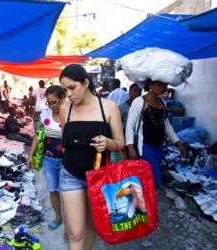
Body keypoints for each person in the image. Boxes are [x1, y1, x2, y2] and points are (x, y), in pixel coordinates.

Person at [59, 64, 124, 250]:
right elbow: (65, 144)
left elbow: (121, 143)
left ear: (86, 83)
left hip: (99, 177)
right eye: (65, 90)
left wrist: (108, 143)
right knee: (75, 233)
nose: (69, 94)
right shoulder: (66, 109)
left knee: (91, 227)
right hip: (70, 175)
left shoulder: (109, 108)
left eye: (72, 88)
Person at [126, 80, 186, 189]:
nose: (163, 88)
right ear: (150, 85)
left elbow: (167, 125)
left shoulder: (162, 102)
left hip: (159, 146)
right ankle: (142, 200)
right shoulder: (140, 101)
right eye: (160, 85)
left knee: (148, 178)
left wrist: (177, 142)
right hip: (145, 146)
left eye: (165, 85)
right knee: (155, 181)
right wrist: (130, 147)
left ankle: (145, 202)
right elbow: (130, 125)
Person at [27, 85, 65, 231]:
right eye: (49, 103)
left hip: (67, 161)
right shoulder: (45, 114)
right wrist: (30, 155)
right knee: (53, 190)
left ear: (63, 98)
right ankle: (58, 217)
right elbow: (38, 136)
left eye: (55, 102)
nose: (52, 106)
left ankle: (71, 223)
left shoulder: (70, 114)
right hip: (48, 161)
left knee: (68, 193)